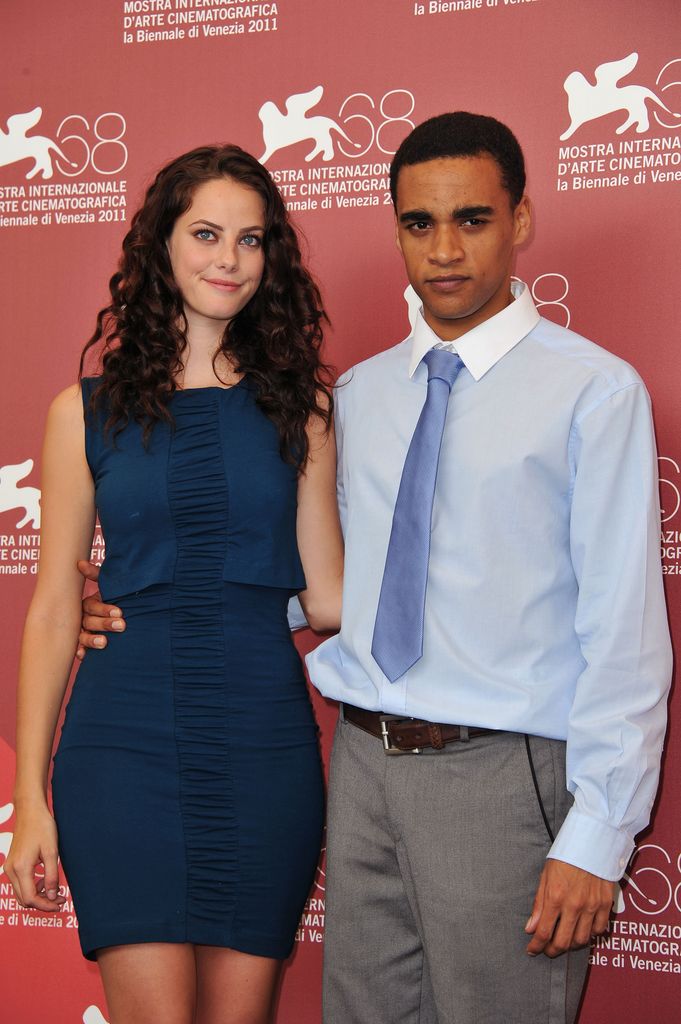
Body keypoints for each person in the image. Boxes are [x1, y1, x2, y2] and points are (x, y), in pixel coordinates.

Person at [77, 113, 672, 1024]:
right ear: (393, 226)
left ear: (520, 221)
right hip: (357, 771)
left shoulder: (592, 393)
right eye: (417, 223)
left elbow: (623, 633)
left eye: (472, 219)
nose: (443, 250)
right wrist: (156, 611)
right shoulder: (352, 396)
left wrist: (596, 836)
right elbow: (323, 586)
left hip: (499, 776)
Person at [6, 144, 343, 1024]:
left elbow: (330, 598)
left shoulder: (300, 407)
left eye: (251, 239)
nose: (228, 258)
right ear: (160, 245)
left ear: (272, 259)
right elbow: (50, 610)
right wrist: (30, 799)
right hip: (120, 747)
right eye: (204, 233)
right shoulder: (83, 410)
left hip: (263, 741)